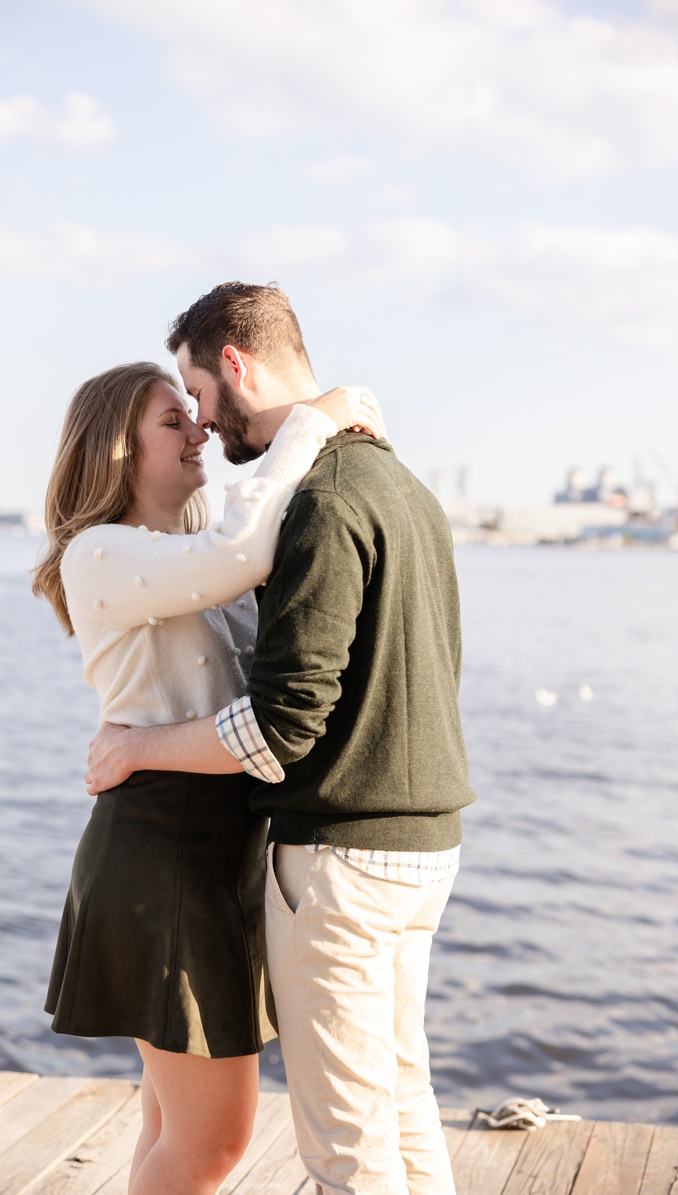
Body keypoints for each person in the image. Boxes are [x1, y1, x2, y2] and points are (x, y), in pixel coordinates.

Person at [85, 282, 475, 1195]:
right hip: (423, 846)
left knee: (348, 1149)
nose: (205, 429)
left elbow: (279, 725)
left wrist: (137, 746)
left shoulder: (321, 499)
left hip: (342, 858)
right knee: (403, 1102)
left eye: (199, 397)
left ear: (233, 364)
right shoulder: (402, 485)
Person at [32, 359, 382, 1195]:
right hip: (162, 848)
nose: (198, 430)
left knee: (172, 1128)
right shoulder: (99, 553)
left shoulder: (182, 552)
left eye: (192, 414)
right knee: (214, 1142)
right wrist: (310, 422)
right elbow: (241, 548)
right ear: (117, 448)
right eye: (170, 420)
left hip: (219, 844)